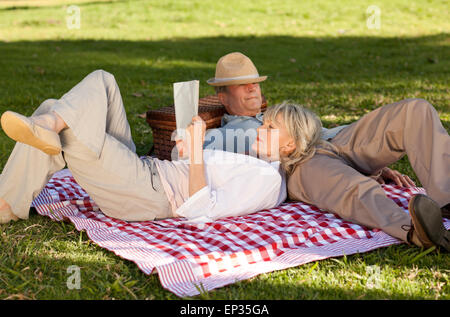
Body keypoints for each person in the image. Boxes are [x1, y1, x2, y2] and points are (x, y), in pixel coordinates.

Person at [0, 70, 286, 224]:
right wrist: (187, 153)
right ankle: (46, 130)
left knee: (66, 124)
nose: (261, 127)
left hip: (146, 193)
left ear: (290, 145)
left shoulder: (268, 180)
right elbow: (199, 172)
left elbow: (200, 209)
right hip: (146, 172)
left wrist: (197, 151)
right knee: (103, 81)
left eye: (270, 128)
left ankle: (5, 202)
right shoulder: (256, 162)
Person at [254, 101, 449, 251]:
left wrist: (378, 168)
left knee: (415, 111)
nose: (258, 129)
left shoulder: (258, 113)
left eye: (268, 126)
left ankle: (447, 198)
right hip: (299, 163)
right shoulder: (232, 133)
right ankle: (418, 233)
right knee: (356, 189)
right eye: (266, 125)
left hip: (328, 139)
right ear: (223, 97)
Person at [203, 52, 416, 188]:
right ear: (223, 97)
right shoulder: (225, 136)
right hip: (326, 156)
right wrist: (366, 167)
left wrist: (373, 164)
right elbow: (196, 158)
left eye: (255, 83)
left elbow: (321, 133)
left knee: (407, 119)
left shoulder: (275, 116)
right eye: (242, 84)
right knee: (406, 120)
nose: (252, 88)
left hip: (341, 140)